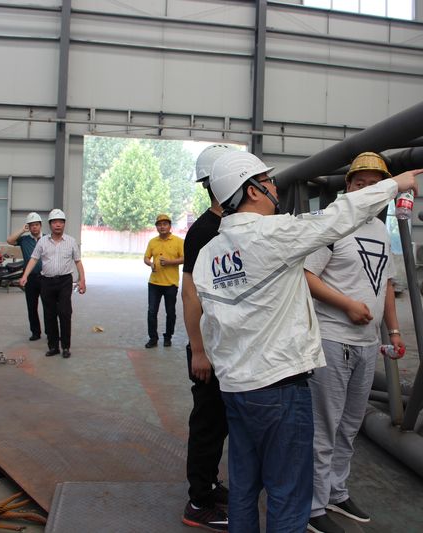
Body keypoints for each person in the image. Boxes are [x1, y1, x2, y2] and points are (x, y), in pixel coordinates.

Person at [193, 150, 423, 533]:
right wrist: (394, 185)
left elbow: (210, 323)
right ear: (252, 191)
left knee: (245, 486)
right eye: (267, 181)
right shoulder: (274, 235)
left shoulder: (210, 254)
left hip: (235, 388)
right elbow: (338, 216)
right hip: (279, 387)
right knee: (288, 492)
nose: (274, 186)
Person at [304, 152, 407, 533]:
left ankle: (336, 491)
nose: (366, 190)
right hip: (332, 340)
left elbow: (387, 285)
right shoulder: (333, 225)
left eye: (374, 185)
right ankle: (312, 506)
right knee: (323, 427)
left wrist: (393, 331)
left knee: (349, 426)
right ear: (348, 187)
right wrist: (346, 304)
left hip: (366, 345)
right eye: (359, 183)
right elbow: (305, 275)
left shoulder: (380, 230)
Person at [180, 145, 234, 532]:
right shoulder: (203, 231)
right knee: (207, 424)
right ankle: (198, 501)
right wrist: (198, 351)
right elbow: (190, 294)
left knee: (219, 424)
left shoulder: (231, 226)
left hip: (225, 346)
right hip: (208, 349)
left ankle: (210, 484)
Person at [19, 208, 86, 359]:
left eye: (61, 222)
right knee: (49, 314)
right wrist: (25, 276)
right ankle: (53, 346)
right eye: (55, 222)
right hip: (47, 282)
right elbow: (34, 259)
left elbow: (78, 261)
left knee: (65, 312)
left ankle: (66, 346)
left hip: (65, 281)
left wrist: (82, 280)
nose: (58, 225)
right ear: (50, 224)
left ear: (64, 224)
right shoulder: (43, 241)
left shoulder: (71, 241)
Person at [143, 214, 184, 348]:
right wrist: (151, 264)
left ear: (170, 226)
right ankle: (153, 338)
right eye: (159, 225)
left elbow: (185, 258)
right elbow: (146, 258)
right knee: (151, 312)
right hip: (154, 283)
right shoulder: (152, 242)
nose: (162, 227)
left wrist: (170, 262)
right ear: (156, 227)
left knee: (170, 312)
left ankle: (168, 337)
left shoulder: (178, 241)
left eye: (165, 224)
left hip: (171, 284)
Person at [7, 212, 44, 341]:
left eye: (36, 224)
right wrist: (22, 230)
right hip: (30, 278)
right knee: (31, 306)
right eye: (31, 225)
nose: (34, 227)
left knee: (49, 307)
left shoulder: (47, 239)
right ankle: (35, 332)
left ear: (40, 225)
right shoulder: (24, 240)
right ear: (28, 226)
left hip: (46, 278)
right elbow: (9, 240)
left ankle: (51, 332)